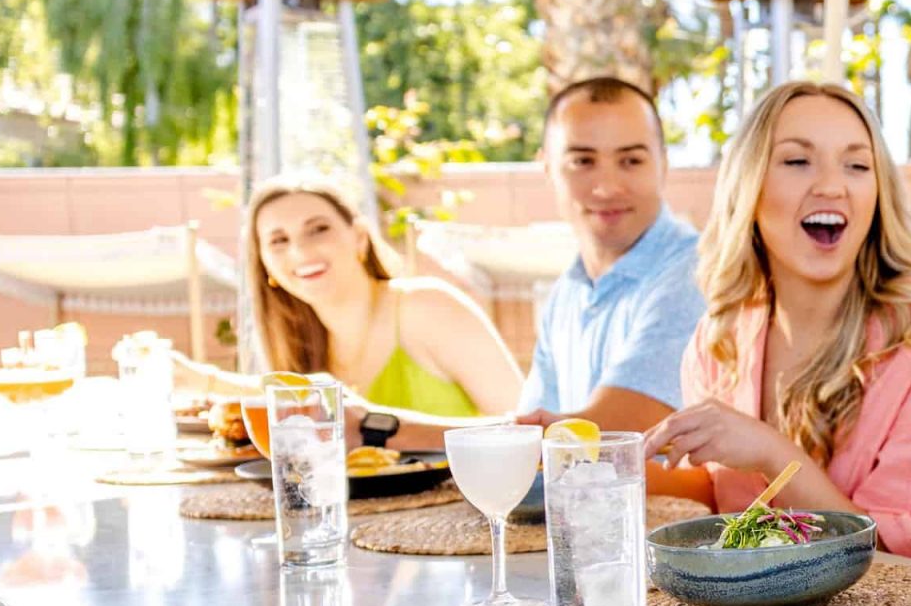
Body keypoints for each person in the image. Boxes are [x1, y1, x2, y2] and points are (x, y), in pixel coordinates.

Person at [647, 81, 911, 566]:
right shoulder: (721, 338)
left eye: (856, 165)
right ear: (750, 187)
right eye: (797, 161)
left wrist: (773, 453)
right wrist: (609, 454)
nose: (832, 185)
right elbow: (716, 499)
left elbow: (910, 569)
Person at [180, 176, 521, 436]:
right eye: (279, 240)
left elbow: (529, 430)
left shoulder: (426, 308)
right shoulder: (298, 344)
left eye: (318, 230)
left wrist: (377, 427)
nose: (300, 252)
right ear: (265, 266)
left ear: (359, 237)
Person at [512, 77, 707, 434]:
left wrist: (393, 431)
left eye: (631, 161)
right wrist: (390, 428)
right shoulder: (569, 290)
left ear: (663, 165)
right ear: (546, 169)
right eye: (583, 161)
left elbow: (603, 435)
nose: (607, 187)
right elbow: (529, 432)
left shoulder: (697, 274)